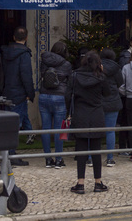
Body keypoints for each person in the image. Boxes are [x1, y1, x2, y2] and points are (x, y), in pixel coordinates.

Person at [67, 50, 110, 194]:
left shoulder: (75, 76)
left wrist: (69, 113)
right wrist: (103, 74)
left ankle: (80, 183)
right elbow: (108, 93)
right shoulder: (101, 77)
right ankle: (98, 182)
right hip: (96, 114)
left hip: (81, 114)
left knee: (81, 151)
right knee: (96, 151)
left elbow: (68, 96)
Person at [1, 26, 35, 167]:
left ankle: (7, 153)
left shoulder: (5, 52)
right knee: (16, 125)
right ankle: (11, 155)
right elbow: (26, 75)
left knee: (9, 124)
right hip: (19, 94)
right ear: (26, 38)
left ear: (14, 37)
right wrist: (30, 93)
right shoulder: (24, 54)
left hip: (7, 91)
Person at [39, 41, 72, 169]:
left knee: (46, 129)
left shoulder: (45, 60)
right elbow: (69, 82)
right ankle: (58, 159)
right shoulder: (67, 64)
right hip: (59, 96)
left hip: (44, 95)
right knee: (59, 129)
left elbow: (42, 75)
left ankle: (48, 159)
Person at [100, 48, 123, 166]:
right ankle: (110, 158)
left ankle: (90, 157)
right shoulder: (116, 68)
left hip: (99, 101)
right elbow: (120, 82)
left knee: (95, 130)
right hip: (113, 100)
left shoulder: (97, 66)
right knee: (110, 131)